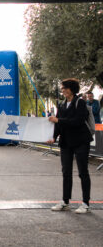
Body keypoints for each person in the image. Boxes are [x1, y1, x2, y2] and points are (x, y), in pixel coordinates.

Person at [47, 78, 93, 214]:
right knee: (66, 172)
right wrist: (54, 137)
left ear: (72, 89)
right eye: (62, 89)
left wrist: (59, 120)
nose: (63, 91)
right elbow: (58, 124)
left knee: (83, 172)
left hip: (81, 141)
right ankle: (65, 201)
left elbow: (78, 121)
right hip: (66, 142)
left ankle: (85, 203)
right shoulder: (61, 105)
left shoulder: (80, 102)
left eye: (65, 88)